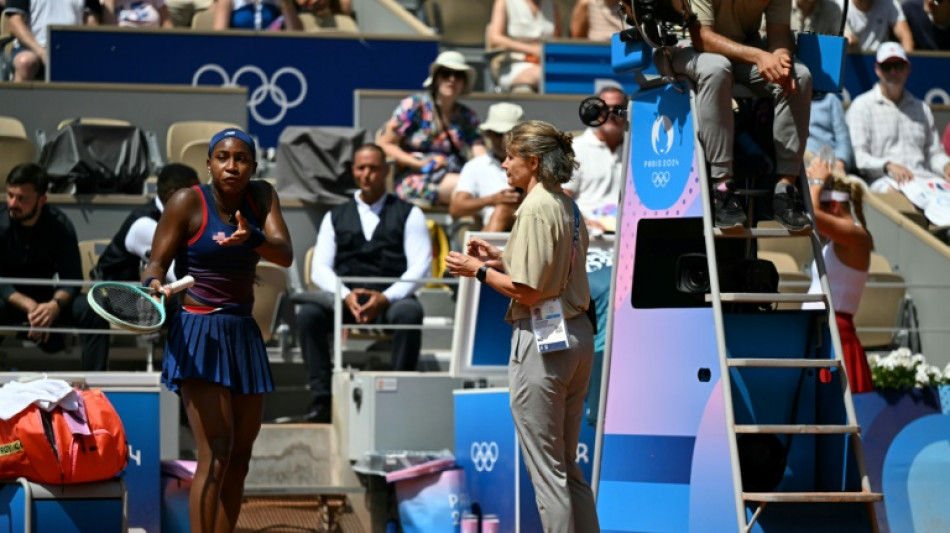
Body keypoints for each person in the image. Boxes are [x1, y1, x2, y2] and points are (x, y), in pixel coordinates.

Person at [446, 121, 599, 533]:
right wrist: (501, 257)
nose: (504, 163)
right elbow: (552, 270)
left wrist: (477, 270)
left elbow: (529, 290)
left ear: (532, 161)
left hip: (543, 341)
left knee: (549, 472)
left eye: (511, 156)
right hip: (578, 336)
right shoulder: (565, 202)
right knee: (566, 467)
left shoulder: (534, 206)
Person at [140, 128, 293, 533]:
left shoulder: (261, 197)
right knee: (217, 452)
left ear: (253, 166)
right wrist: (153, 283)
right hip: (199, 331)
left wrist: (253, 236)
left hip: (243, 332)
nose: (231, 165)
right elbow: (156, 264)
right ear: (208, 163)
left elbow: (285, 254)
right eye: (222, 157)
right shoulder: (186, 201)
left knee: (241, 456)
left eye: (241, 158)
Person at [295, 144, 432, 423]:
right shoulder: (335, 216)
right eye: (361, 168)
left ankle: (398, 398)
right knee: (309, 315)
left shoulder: (410, 213)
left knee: (410, 314)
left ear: (385, 171)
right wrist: (345, 295)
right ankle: (322, 400)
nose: (367, 174)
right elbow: (320, 268)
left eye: (373, 168)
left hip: (390, 298)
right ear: (353, 171)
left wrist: (385, 297)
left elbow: (422, 266)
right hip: (347, 298)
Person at [665, 0, 813, 230]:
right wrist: (758, 56)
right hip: (684, 46)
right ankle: (722, 190)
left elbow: (780, 34)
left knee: (799, 76)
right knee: (716, 69)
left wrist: (781, 57)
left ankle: (785, 191)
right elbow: (702, 37)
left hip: (744, 48)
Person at [0, 163, 110, 370]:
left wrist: (53, 306)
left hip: (48, 301)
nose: (13, 203)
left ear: (42, 200)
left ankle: (95, 388)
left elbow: (72, 279)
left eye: (21, 198)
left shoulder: (59, 225)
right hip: (9, 300)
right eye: (10, 195)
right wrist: (30, 307)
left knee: (92, 310)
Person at [845, 42, 950, 217]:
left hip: (923, 180)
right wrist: (887, 166)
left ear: (907, 69)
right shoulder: (861, 107)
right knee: (909, 209)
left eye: (898, 66)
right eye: (887, 67)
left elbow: (933, 154)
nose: (893, 72)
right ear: (877, 70)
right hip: (885, 181)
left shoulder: (921, 108)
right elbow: (859, 158)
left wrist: (946, 165)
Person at [378, 51, 486, 207]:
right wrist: (418, 164)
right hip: (416, 177)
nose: (452, 79)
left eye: (458, 75)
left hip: (455, 174)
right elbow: (385, 144)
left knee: (483, 189)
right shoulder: (415, 105)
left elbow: (479, 151)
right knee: (469, 191)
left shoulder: (467, 116)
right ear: (436, 78)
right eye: (446, 74)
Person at [803, 158, 874, 393]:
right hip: (820, 336)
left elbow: (810, 215)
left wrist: (816, 181)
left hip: (835, 340)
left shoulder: (857, 236)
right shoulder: (838, 240)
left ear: (833, 206)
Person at [93, 164, 200, 283]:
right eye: (195, 195)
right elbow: (176, 276)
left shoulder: (176, 219)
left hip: (141, 296)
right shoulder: (144, 224)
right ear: (172, 194)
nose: (201, 200)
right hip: (114, 297)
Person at [450, 102, 525, 232]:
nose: (503, 140)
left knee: (503, 210)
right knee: (502, 210)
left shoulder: (534, 162)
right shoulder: (475, 166)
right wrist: (493, 200)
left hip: (530, 226)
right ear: (488, 134)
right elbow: (456, 208)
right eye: (498, 134)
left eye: (509, 134)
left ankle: (479, 251)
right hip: (496, 229)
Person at [566, 85, 626, 233]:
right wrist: (583, 223)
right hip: (587, 236)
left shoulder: (637, 150)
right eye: (604, 109)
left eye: (618, 109)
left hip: (627, 233)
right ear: (594, 112)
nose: (611, 114)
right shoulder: (575, 148)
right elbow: (561, 198)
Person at [3, 0, 100, 82]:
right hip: (33, 47)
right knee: (25, 61)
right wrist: (41, 52)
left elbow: (91, 22)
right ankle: (18, 102)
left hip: (73, 49)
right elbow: (15, 23)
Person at [488, 0, 560, 92]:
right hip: (514, 63)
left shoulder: (552, 5)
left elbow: (557, 41)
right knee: (545, 75)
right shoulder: (505, 2)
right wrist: (532, 50)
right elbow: (495, 39)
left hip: (545, 63)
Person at [806, 92, 853, 176]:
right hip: (801, 165)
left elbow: (842, 138)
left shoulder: (830, 100)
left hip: (828, 164)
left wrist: (840, 163)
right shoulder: (786, 99)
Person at [845, 0, 914, 52]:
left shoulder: (889, 3)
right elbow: (847, 39)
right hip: (850, 61)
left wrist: (906, 60)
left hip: (883, 63)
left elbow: (905, 36)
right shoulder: (839, 5)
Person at [213, 0, 303, 30]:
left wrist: (286, 3)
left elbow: (297, 34)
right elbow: (218, 39)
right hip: (237, 52)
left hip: (273, 51)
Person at [101, 0, 173, 27]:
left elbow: (166, 23)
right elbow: (109, 30)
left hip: (153, 45)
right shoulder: (106, 3)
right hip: (122, 45)